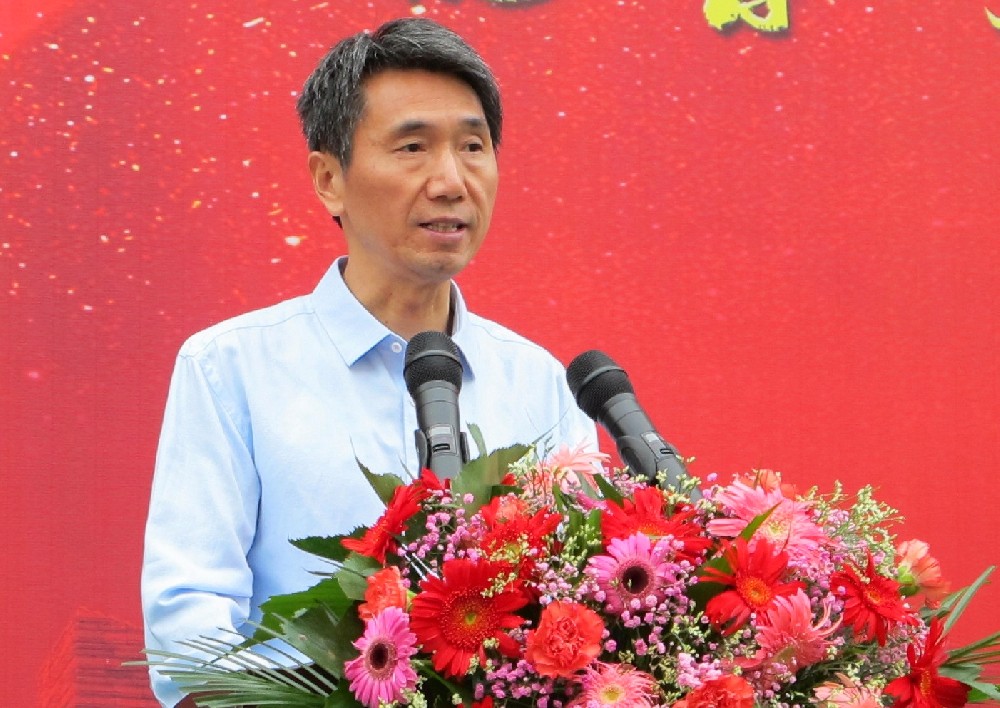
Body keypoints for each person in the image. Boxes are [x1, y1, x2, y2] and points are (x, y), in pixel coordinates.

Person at [141, 17, 598, 707]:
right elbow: (189, 635)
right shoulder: (230, 368)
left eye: (473, 146)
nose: (451, 181)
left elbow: (586, 602)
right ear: (330, 179)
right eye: (413, 147)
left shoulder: (542, 385)